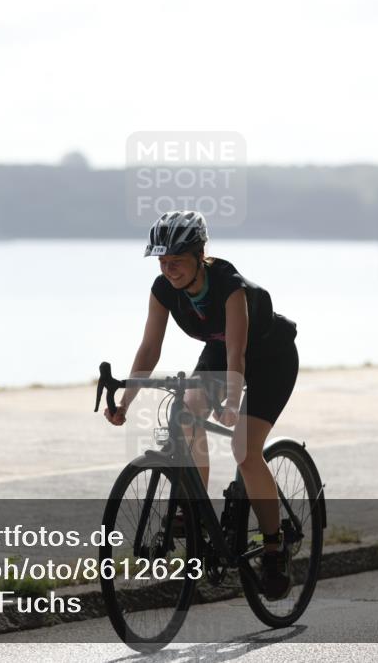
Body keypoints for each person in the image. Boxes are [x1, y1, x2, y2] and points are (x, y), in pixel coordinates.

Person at [103, 210, 300, 600]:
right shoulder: (163, 290)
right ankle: (196, 513)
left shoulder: (230, 287)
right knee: (188, 410)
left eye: (176, 260)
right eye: (162, 261)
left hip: (269, 357)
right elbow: (149, 349)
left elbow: (237, 353)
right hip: (221, 352)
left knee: (244, 450)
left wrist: (231, 400)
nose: (168, 269)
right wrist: (125, 401)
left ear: (199, 253)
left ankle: (275, 550)